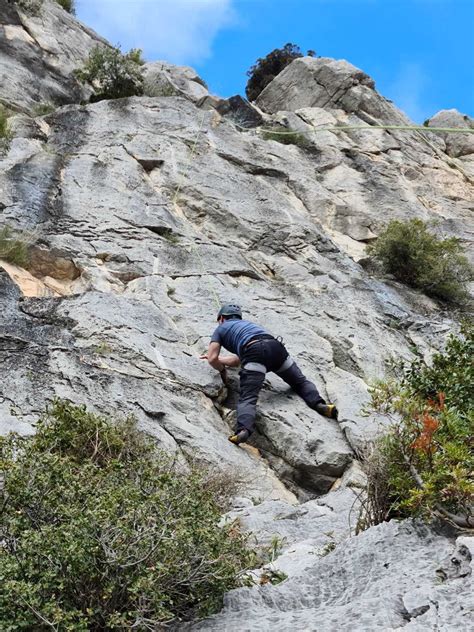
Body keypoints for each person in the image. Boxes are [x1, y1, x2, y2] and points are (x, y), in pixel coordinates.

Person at [200, 303, 339, 445]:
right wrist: (221, 360)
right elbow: (238, 360)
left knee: (248, 396)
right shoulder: (249, 326)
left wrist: (221, 369)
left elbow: (212, 358)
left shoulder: (221, 328)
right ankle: (321, 405)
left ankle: (243, 431)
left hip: (254, 352)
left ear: (221, 318)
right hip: (275, 348)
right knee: (300, 382)